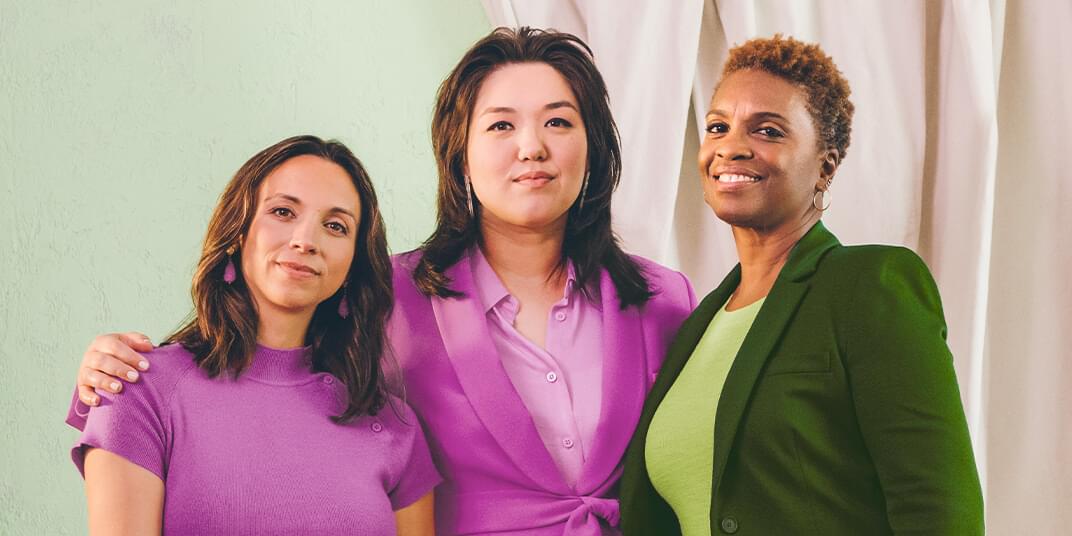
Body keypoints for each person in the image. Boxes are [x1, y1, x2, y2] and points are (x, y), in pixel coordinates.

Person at [66, 28, 696, 535]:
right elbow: (261, 384)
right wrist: (110, 372)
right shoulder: (383, 295)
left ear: (594, 146)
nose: (532, 146)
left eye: (559, 122)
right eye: (501, 125)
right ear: (460, 155)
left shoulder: (667, 302)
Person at [618, 36, 984, 535]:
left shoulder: (869, 287)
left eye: (768, 131)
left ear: (825, 167)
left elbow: (938, 509)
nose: (732, 146)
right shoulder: (695, 328)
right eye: (718, 127)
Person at [71, 135, 439, 535]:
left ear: (353, 264)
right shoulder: (137, 388)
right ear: (238, 232)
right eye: (282, 211)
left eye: (335, 226)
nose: (305, 240)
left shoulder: (393, 426)